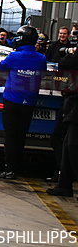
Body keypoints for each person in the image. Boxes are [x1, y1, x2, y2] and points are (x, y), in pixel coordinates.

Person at [0, 25, 47, 179]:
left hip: (12, 99)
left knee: (11, 135)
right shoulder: (41, 58)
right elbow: (43, 72)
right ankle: (18, 166)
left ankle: (10, 168)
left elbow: (1, 67)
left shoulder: (14, 56)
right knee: (22, 135)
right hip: (30, 100)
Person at [47, 49, 78, 196]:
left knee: (72, 145)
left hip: (74, 104)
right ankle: (64, 184)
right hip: (72, 102)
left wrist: (70, 53)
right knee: (66, 144)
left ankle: (65, 183)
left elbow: (66, 62)